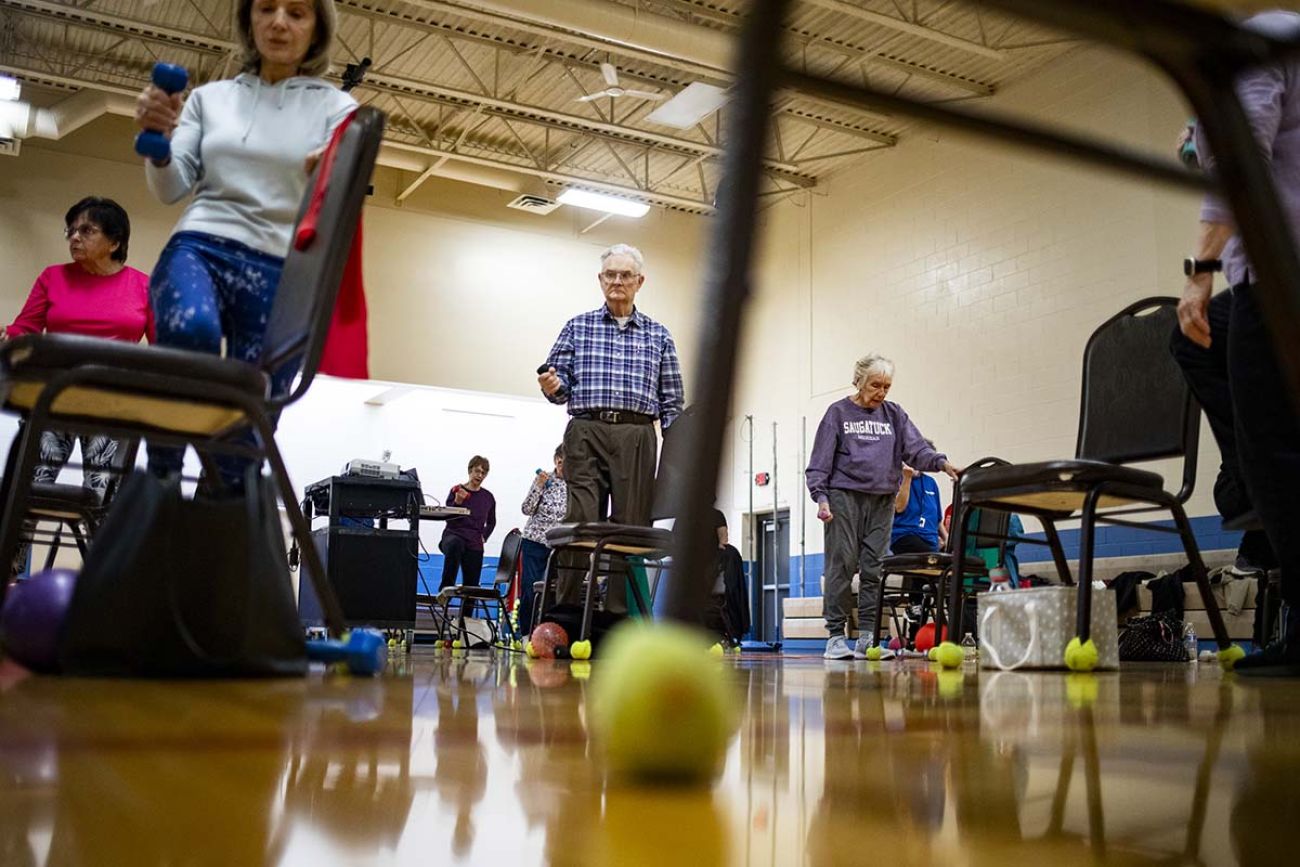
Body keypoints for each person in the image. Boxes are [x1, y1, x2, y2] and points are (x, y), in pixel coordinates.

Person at [133, 0, 356, 488]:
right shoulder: (208, 99)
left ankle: (224, 516)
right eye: (266, 8)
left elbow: (342, 202)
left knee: (243, 438)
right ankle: (163, 472)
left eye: (296, 12)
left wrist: (329, 179)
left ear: (316, 29)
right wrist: (158, 140)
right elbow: (172, 188)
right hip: (202, 245)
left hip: (283, 271)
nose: (278, 21)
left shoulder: (338, 109)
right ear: (247, 19)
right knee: (191, 332)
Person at [1177, 9, 1300, 675]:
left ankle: (1252, 476)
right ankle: (1246, 477)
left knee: (1275, 445)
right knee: (1194, 343)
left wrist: (1199, 271)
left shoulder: (1262, 34)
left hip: (1282, 276)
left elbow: (1241, 157)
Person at [3, 197, 154, 575]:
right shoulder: (53, 277)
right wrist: (9, 340)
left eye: (87, 230)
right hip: (53, 401)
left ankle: (101, 594)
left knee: (103, 504)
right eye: (71, 230)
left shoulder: (142, 287)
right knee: (24, 495)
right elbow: (25, 330)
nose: (74, 237)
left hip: (110, 407)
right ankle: (6, 581)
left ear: (115, 241)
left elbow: (162, 349)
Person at [537, 243, 684, 615]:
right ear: (600, 280)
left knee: (629, 525)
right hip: (586, 429)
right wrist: (553, 387)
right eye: (610, 275)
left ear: (640, 282)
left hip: (636, 434)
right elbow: (558, 383)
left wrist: (678, 455)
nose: (617, 281)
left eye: (625, 275)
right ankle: (566, 611)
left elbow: (672, 400)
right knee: (581, 520)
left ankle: (619, 614)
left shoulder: (659, 335)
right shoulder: (577, 326)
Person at [806, 353, 958, 660]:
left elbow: (916, 449)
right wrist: (821, 497)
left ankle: (867, 638)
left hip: (882, 499)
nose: (882, 392)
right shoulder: (838, 413)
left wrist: (941, 463)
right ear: (859, 381)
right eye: (876, 385)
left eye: (887, 386)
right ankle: (835, 636)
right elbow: (819, 463)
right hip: (844, 497)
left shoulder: (894, 415)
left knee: (874, 569)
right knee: (842, 565)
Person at [518, 445, 567, 632]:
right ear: (556, 460)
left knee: (554, 592)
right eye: (560, 462)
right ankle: (525, 635)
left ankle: (550, 633)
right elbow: (527, 509)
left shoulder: (574, 484)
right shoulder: (544, 478)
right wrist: (538, 486)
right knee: (530, 590)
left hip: (560, 544)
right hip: (535, 540)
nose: (563, 467)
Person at [439, 456, 497, 594]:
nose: (480, 475)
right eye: (477, 471)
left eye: (483, 473)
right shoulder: (457, 490)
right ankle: (445, 591)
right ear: (470, 471)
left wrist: (484, 537)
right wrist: (457, 502)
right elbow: (449, 518)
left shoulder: (488, 497)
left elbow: (491, 522)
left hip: (474, 540)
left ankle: (466, 614)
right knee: (455, 544)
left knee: (472, 584)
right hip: (454, 535)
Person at [891, 457, 947, 555]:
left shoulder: (931, 482)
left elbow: (937, 519)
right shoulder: (896, 479)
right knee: (930, 557)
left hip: (930, 539)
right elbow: (899, 508)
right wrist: (907, 478)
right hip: (904, 535)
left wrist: (947, 539)